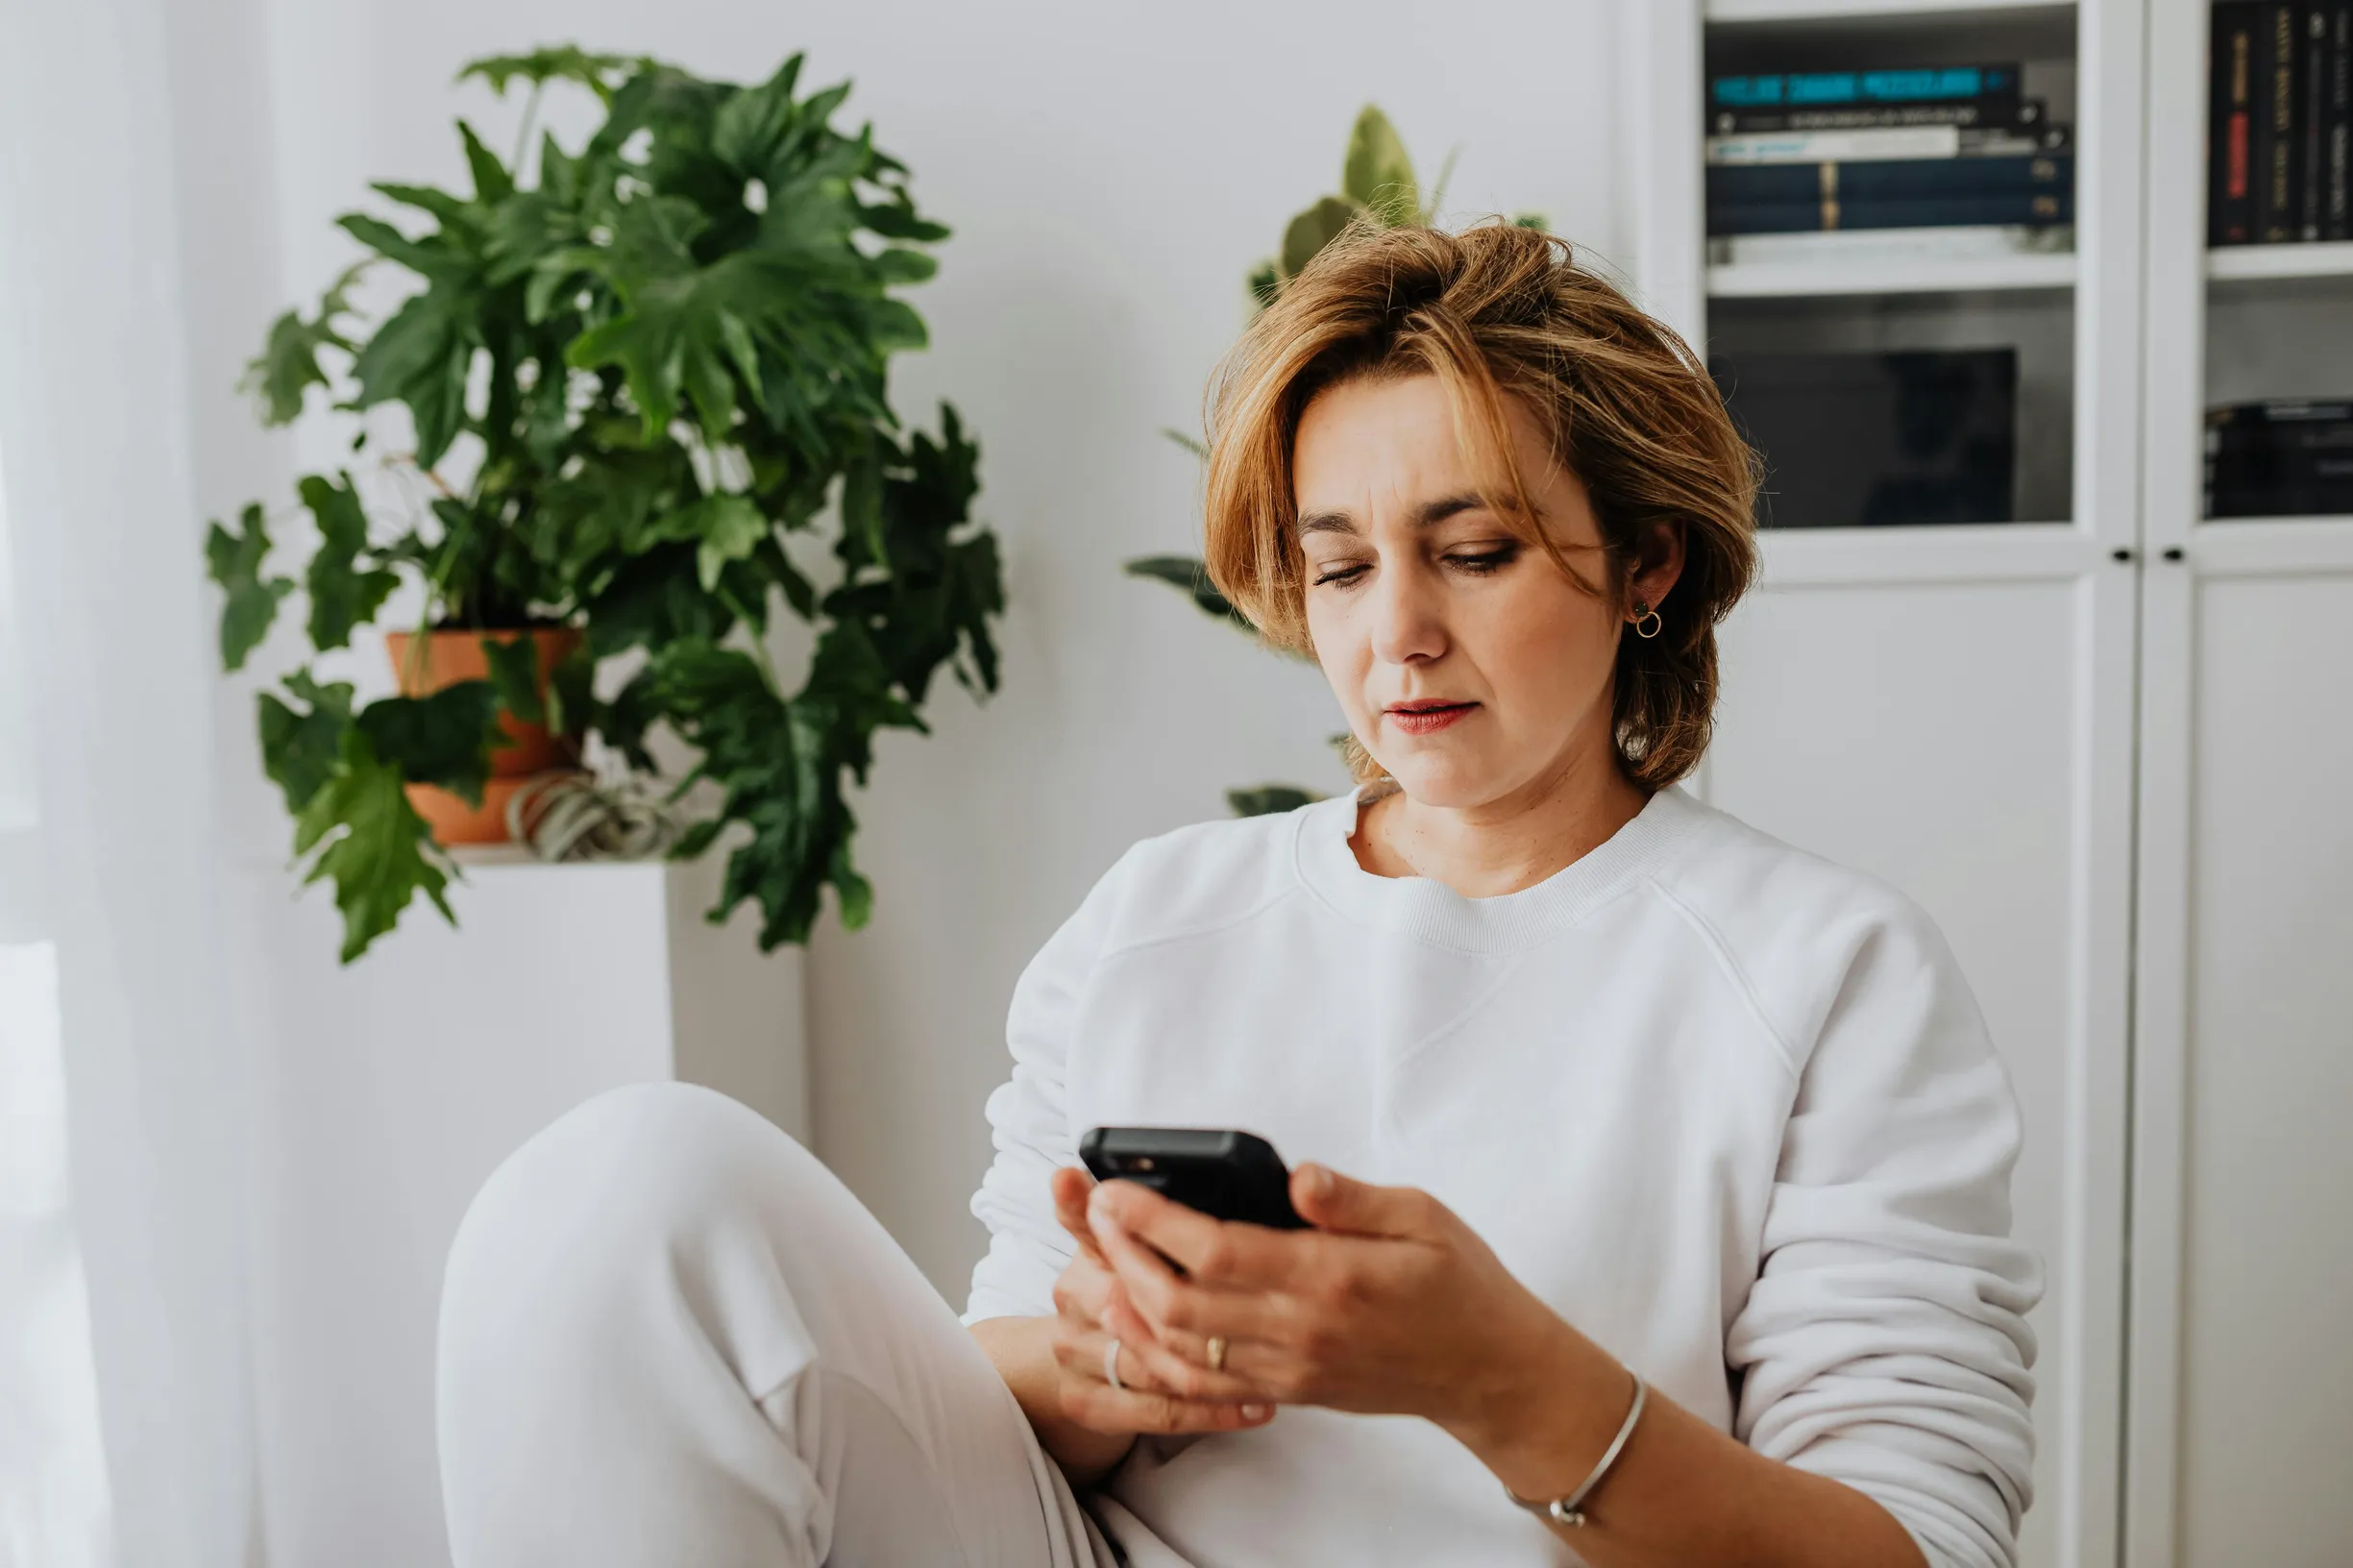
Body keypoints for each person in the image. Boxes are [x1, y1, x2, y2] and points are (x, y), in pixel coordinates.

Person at [436, 219, 2043, 1568]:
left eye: (1471, 550)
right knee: (625, 1188)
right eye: (1341, 568)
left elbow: (1920, 1545)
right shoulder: (1157, 915)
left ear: (1648, 566)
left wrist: (1497, 1381)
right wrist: (1114, 1359)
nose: (1394, 633)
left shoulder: (1829, 969)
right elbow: (989, 1369)